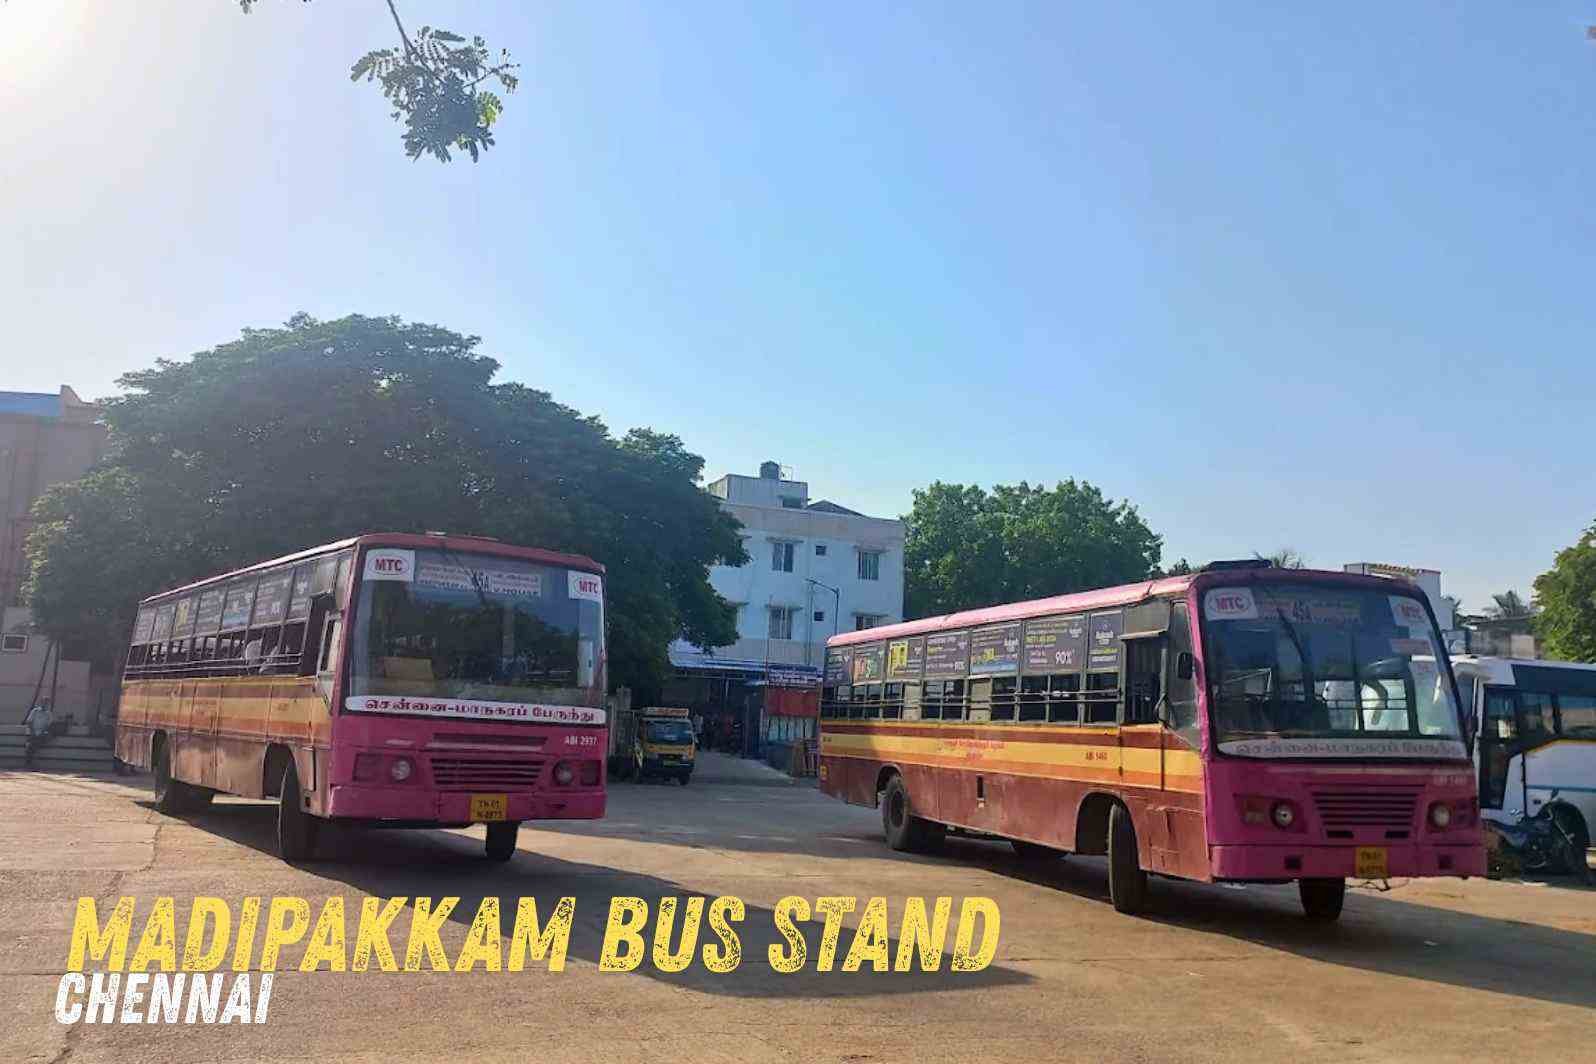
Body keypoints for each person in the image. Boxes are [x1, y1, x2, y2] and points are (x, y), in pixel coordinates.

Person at [23, 697, 54, 767]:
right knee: (32, 743)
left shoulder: (49, 714)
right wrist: (33, 732)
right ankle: (30, 762)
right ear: (41, 703)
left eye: (46, 703)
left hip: (41, 733)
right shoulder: (35, 711)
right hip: (32, 732)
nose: (45, 704)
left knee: (35, 743)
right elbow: (29, 722)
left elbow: (49, 726)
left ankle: (30, 761)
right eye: (43, 702)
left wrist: (42, 732)